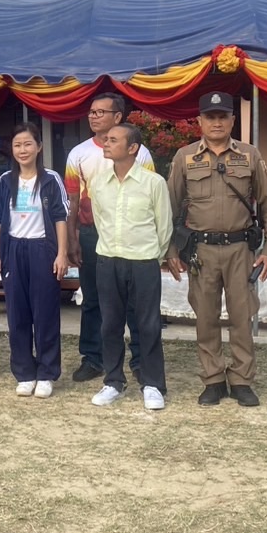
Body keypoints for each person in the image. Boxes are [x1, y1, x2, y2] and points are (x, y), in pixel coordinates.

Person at [166, 91, 267, 407]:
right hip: (201, 251)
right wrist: (171, 250)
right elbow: (170, 207)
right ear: (200, 121)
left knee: (242, 317)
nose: (216, 122)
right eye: (210, 117)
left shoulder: (250, 155)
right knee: (206, 317)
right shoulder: (185, 156)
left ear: (232, 120)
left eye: (222, 116)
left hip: (240, 249)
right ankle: (213, 379)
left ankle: (242, 380)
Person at [75, 124, 174, 411]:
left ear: (132, 148)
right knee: (110, 324)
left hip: (143, 262)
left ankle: (153, 384)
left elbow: (164, 226)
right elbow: (100, 221)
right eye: (106, 139)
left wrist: (151, 257)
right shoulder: (98, 183)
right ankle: (113, 381)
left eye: (113, 140)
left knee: (148, 324)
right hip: (108, 261)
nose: (106, 143)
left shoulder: (153, 183)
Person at [65, 94, 155, 384]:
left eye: (100, 112)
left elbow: (151, 194)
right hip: (92, 235)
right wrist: (72, 239)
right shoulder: (78, 154)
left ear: (118, 117)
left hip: (132, 235)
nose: (93, 117)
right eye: (91, 112)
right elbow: (72, 200)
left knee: (134, 302)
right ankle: (93, 358)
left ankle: (140, 360)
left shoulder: (140, 153)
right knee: (92, 299)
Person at [0, 123, 70, 398]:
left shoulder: (50, 179)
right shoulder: (5, 181)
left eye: (27, 144)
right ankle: (24, 373)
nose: (22, 150)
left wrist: (61, 253)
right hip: (13, 250)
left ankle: (46, 373)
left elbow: (60, 216)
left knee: (45, 313)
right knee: (17, 313)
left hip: (42, 250)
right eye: (17, 145)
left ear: (39, 147)